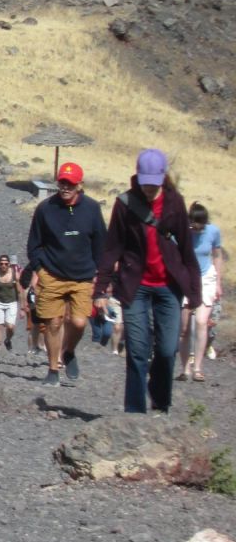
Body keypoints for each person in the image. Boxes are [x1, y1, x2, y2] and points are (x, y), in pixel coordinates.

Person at [93, 149, 201, 414]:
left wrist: (194, 293)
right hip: (135, 286)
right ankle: (134, 410)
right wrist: (100, 289)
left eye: (154, 183)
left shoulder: (175, 203)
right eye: (145, 183)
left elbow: (187, 250)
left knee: (167, 350)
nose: (149, 188)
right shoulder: (125, 204)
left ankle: (161, 402)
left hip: (169, 286)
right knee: (137, 350)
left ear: (163, 177)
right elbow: (112, 248)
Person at [26, 161, 106, 388]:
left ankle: (69, 351)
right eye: (62, 182)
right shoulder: (45, 209)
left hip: (83, 276)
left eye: (70, 183)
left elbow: (101, 243)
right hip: (52, 274)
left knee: (79, 322)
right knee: (53, 322)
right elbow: (34, 244)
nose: (65, 187)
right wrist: (40, 270)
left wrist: (101, 274)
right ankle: (53, 369)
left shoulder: (92, 208)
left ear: (80, 185)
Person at [179, 202, 223, 383]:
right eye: (194, 224)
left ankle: (198, 368)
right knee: (184, 329)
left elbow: (217, 255)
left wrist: (218, 282)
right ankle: (185, 369)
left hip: (206, 278)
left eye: (200, 224)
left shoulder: (213, 231)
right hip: (186, 279)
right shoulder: (183, 232)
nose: (197, 227)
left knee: (201, 322)